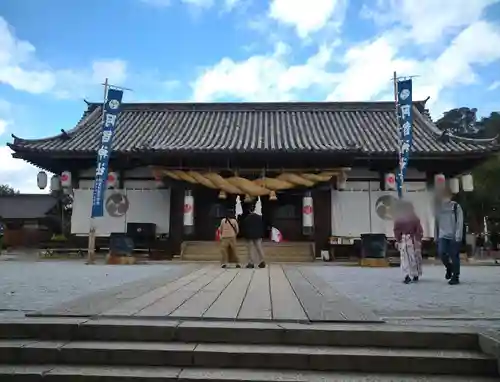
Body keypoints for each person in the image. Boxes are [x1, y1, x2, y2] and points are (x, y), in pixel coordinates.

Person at [435, 186, 464, 285]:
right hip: (443, 235)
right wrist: (436, 235)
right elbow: (436, 223)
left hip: (454, 235)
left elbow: (460, 222)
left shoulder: (456, 206)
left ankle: (455, 277)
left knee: (454, 256)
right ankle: (449, 267)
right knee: (441, 253)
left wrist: (458, 235)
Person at [394, 201, 424, 284]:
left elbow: (396, 230)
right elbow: (397, 230)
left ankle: (412, 274)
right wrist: (398, 239)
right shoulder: (413, 218)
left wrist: (398, 239)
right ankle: (409, 274)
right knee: (408, 258)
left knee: (409, 258)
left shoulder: (409, 218)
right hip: (408, 240)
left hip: (409, 239)